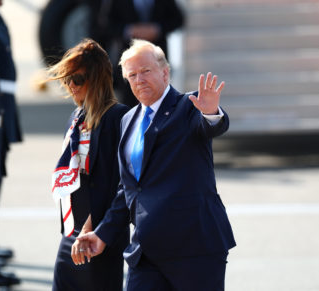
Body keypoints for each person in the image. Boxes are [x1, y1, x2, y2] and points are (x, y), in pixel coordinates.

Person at [77, 39, 236, 291]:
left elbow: (212, 124)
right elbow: (129, 190)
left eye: (145, 71)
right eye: (132, 75)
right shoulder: (128, 119)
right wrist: (102, 233)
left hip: (194, 249)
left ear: (165, 72)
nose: (139, 79)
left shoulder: (189, 106)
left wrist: (211, 112)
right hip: (146, 251)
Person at [48, 38, 130, 290]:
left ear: (97, 80)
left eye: (78, 79)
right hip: (72, 228)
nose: (71, 86)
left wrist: (91, 229)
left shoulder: (117, 117)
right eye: (67, 79)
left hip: (98, 231)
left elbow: (115, 184)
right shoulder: (77, 116)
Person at [99, 0, 186, 107]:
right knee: (129, 103)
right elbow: (106, 22)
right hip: (128, 61)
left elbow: (178, 19)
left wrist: (157, 29)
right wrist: (129, 30)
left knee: (160, 101)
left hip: (156, 58)